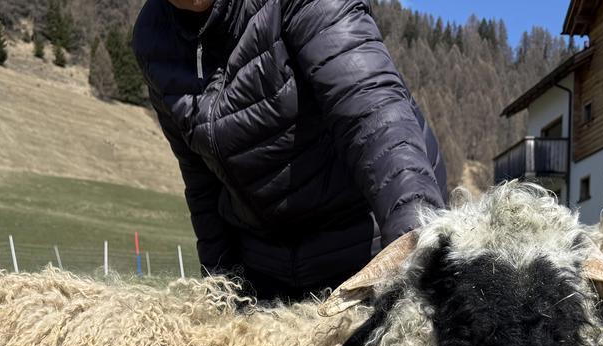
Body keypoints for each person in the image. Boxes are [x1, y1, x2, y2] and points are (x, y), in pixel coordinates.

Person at [133, 0, 447, 302]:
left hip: (363, 239)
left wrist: (419, 248)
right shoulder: (153, 38)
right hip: (267, 260)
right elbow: (201, 179)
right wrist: (221, 292)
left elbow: (371, 109)